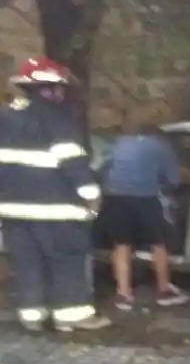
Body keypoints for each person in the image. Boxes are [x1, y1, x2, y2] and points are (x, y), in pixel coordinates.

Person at [0, 56, 111, 332]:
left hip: (13, 210)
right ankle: (71, 316)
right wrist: (91, 194)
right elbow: (71, 161)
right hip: (57, 210)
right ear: (51, 89)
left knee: (27, 263)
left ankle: (33, 316)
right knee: (66, 261)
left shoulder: (5, 118)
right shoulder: (58, 118)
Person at [101, 123, 189, 310]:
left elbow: (104, 169)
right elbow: (173, 179)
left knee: (122, 245)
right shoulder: (160, 147)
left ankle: (123, 294)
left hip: (116, 199)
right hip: (146, 199)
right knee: (158, 244)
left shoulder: (119, 144)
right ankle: (164, 290)